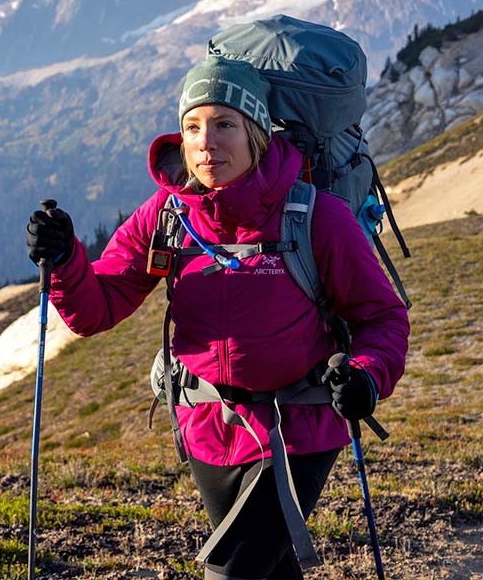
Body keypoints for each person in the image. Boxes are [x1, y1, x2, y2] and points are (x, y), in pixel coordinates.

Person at [25, 50, 410, 579]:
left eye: (225, 124)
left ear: (257, 131)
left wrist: (366, 378)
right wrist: (67, 257)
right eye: (193, 126)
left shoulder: (317, 217)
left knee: (231, 572)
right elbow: (99, 308)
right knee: (271, 572)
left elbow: (382, 317)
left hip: (299, 425)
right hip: (207, 425)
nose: (207, 142)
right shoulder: (165, 216)